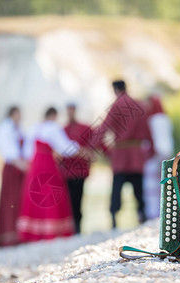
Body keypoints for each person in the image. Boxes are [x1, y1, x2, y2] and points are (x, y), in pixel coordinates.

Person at [17, 107, 82, 242]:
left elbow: (27, 151)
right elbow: (65, 148)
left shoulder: (34, 128)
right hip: (48, 164)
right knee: (50, 194)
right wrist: (78, 147)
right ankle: (51, 231)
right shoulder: (53, 128)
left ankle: (34, 232)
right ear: (53, 116)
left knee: (36, 194)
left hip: (35, 165)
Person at [94, 80, 152, 228]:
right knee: (138, 188)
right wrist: (149, 152)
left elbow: (102, 130)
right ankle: (142, 215)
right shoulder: (139, 105)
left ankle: (114, 219)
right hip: (136, 154)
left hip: (120, 154)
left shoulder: (117, 105)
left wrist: (105, 151)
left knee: (117, 188)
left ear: (115, 89)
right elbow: (147, 132)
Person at [0, 106, 27, 247]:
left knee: (18, 201)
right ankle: (7, 236)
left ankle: (18, 234)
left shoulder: (18, 129)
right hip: (11, 169)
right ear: (12, 114)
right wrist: (22, 165)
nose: (19, 117)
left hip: (18, 169)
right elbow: (8, 151)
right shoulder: (5, 128)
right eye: (18, 114)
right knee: (10, 202)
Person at [60, 103, 93, 234]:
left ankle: (78, 225)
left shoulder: (84, 128)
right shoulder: (62, 130)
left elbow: (91, 147)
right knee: (69, 199)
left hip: (80, 171)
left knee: (78, 198)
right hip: (67, 172)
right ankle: (71, 226)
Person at [143, 95, 174, 219]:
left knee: (151, 185)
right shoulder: (166, 119)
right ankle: (166, 210)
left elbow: (153, 139)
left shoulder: (152, 120)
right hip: (167, 153)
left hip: (155, 154)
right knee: (165, 182)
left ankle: (153, 212)